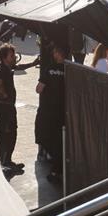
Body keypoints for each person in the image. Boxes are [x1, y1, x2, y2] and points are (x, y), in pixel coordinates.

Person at [0, 43, 39, 174]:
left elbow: (18, 66)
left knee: (6, 133)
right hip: (4, 108)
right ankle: (5, 162)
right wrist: (5, 95)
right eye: (11, 55)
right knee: (8, 133)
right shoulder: (2, 69)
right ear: (4, 57)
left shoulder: (6, 66)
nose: (14, 57)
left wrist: (32, 63)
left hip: (4, 107)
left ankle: (6, 160)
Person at [36, 43, 69, 183]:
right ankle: (59, 165)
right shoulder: (71, 69)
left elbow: (39, 89)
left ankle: (55, 167)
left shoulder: (49, 69)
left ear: (58, 53)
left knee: (47, 137)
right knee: (60, 139)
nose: (54, 54)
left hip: (49, 110)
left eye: (55, 52)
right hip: (64, 110)